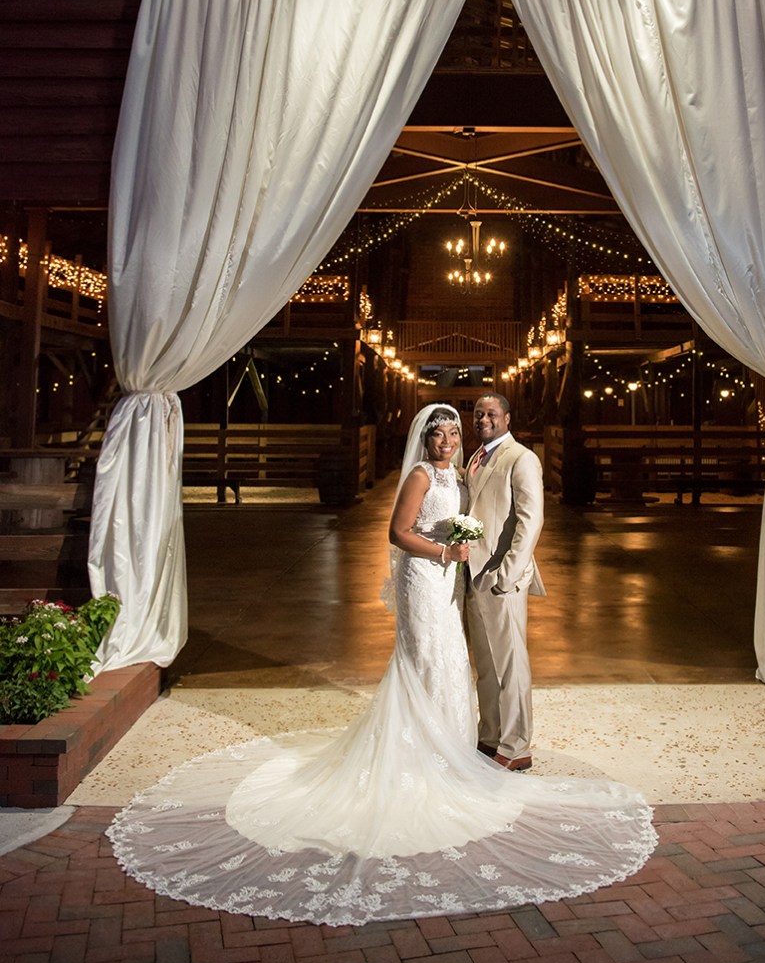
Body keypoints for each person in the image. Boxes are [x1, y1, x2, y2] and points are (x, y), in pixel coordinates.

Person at [108, 403, 656, 928]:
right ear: (425, 437)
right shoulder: (420, 475)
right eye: (441, 432)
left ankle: (459, 747)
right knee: (425, 659)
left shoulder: (471, 468)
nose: (449, 439)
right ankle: (423, 753)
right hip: (426, 577)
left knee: (453, 660)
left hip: (456, 582)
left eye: (455, 432)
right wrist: (444, 552)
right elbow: (397, 532)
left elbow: (514, 517)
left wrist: (472, 557)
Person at [465, 392, 544, 771]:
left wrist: (507, 574)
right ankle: (491, 735)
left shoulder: (521, 458)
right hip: (473, 576)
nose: (483, 419)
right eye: (478, 414)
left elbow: (531, 520)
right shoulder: (475, 458)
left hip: (502, 578)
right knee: (486, 664)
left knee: (511, 665)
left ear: (507, 418)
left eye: (491, 414)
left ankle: (516, 746)